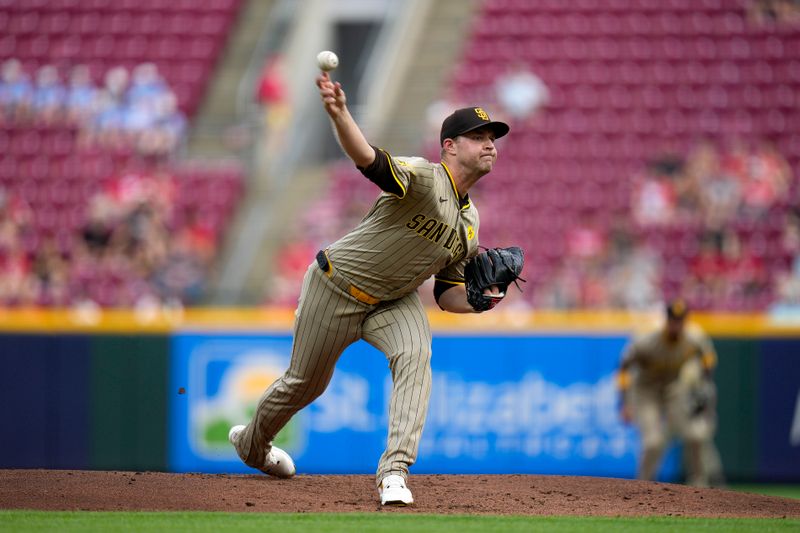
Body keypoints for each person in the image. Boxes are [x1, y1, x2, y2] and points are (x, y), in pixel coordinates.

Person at [227, 70, 514, 506]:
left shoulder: (471, 224)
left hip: (393, 301)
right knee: (305, 384)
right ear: (450, 146)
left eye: (492, 136)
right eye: (478, 136)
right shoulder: (422, 177)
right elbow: (367, 159)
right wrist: (341, 113)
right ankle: (252, 445)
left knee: (416, 355)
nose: (490, 143)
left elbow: (446, 294)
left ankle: (394, 471)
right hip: (336, 285)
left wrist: (479, 302)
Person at [617, 300, 724, 486]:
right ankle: (644, 486)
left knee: (696, 435)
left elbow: (708, 359)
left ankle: (700, 486)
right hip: (645, 391)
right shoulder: (648, 340)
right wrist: (624, 402)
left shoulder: (693, 338)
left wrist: (705, 385)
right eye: (674, 321)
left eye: (680, 321)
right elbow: (624, 367)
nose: (677, 325)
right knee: (653, 442)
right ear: (667, 321)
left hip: (673, 389)